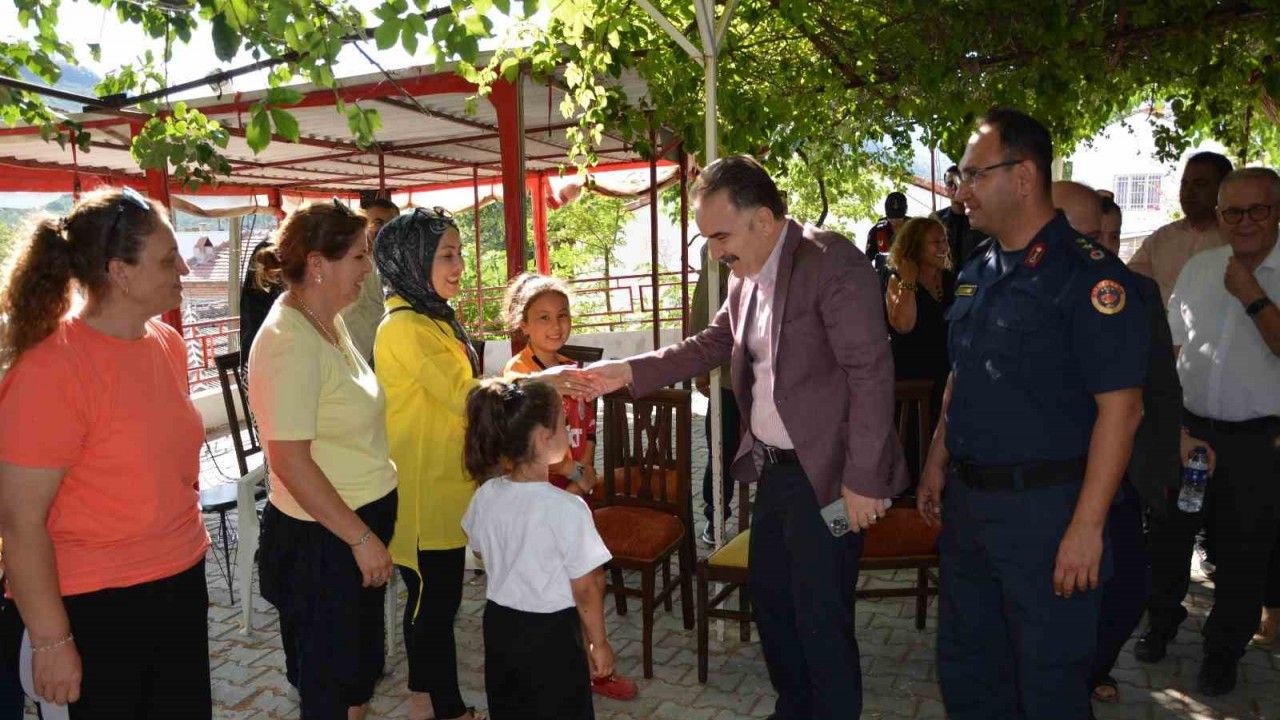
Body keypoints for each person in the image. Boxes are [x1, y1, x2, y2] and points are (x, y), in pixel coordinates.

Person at [586, 155, 909, 720]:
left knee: (820, 617)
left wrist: (864, 479)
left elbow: (872, 373)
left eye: (720, 236)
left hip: (831, 480)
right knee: (774, 604)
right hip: (778, 476)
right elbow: (711, 344)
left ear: (763, 219)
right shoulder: (746, 277)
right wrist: (625, 371)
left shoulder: (832, 263)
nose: (715, 253)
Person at [917, 110, 1149, 720]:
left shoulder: (1089, 277)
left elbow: (1122, 410)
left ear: (1023, 176)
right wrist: (937, 458)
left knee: (1049, 685)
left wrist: (1087, 527)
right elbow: (962, 375)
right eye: (959, 176)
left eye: (973, 175)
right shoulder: (978, 268)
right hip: (971, 508)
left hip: (1048, 513)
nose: (960, 192)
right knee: (969, 672)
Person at [0, 187, 213, 718]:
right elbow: (20, 521)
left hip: (179, 581)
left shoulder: (166, 343)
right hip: (97, 606)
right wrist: (51, 640)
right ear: (120, 272)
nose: (184, 268)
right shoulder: (52, 368)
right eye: (167, 258)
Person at [373, 209, 589, 720]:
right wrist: (540, 382)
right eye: (446, 255)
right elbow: (463, 394)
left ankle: (425, 701)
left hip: (449, 483)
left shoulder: (432, 317)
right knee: (432, 607)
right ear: (413, 260)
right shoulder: (403, 327)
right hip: (425, 494)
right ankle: (444, 708)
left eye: (459, 253)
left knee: (437, 604)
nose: (459, 266)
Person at [247, 200, 399, 720]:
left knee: (354, 681)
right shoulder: (288, 340)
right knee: (329, 690)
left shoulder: (327, 322)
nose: (368, 269)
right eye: (358, 256)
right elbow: (290, 461)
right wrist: (359, 538)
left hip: (349, 533)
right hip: (325, 542)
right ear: (317, 264)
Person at [1135, 167, 1280, 696]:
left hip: (1258, 442)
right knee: (1168, 537)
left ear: (1277, 211)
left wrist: (1252, 295)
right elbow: (1172, 352)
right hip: (1190, 433)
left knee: (1243, 554)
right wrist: (1169, 426)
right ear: (1219, 217)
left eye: (1258, 209)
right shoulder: (1200, 268)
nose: (1244, 222)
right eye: (1232, 212)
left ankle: (1222, 653)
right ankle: (1161, 623)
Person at [1052, 180, 1182, 708]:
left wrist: (1169, 455)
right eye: (1095, 236)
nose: (1104, 247)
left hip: (1124, 471)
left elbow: (1161, 387)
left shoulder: (1138, 294)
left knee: (1128, 587)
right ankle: (1065, 680)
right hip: (1059, 472)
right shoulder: (1043, 290)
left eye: (1112, 236)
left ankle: (1092, 668)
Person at [461, 378, 617, 720]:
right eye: (564, 424)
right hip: (553, 634)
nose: (568, 431)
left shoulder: (485, 496)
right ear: (545, 439)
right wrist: (599, 642)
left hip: (500, 626)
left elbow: (481, 550)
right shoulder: (568, 509)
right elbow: (587, 586)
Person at [883, 216, 954, 479]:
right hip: (913, 387)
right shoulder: (896, 280)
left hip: (947, 381)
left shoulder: (953, 280)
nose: (943, 247)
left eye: (944, 241)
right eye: (935, 242)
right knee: (913, 457)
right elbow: (904, 324)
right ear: (916, 246)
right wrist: (909, 278)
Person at [1128, 152, 1234, 305]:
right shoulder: (1161, 239)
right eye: (1185, 184)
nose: (1188, 191)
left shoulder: (1238, 238)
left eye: (1200, 184)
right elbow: (1129, 284)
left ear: (1223, 188)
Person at [690, 242, 741, 546]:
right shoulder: (718, 249)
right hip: (728, 378)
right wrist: (701, 367)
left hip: (772, 381)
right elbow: (703, 310)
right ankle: (715, 516)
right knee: (721, 450)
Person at [341, 197, 400, 363]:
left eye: (392, 224)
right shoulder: (341, 261)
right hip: (348, 352)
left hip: (380, 354)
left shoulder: (396, 267)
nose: (385, 229)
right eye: (377, 222)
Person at [935, 165, 988, 263]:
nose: (955, 188)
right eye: (950, 184)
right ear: (945, 189)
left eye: (958, 182)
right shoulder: (937, 219)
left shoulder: (980, 219)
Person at [865, 190, 908, 260]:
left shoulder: (916, 228)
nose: (895, 221)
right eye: (891, 218)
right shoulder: (876, 231)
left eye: (898, 218)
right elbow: (867, 260)